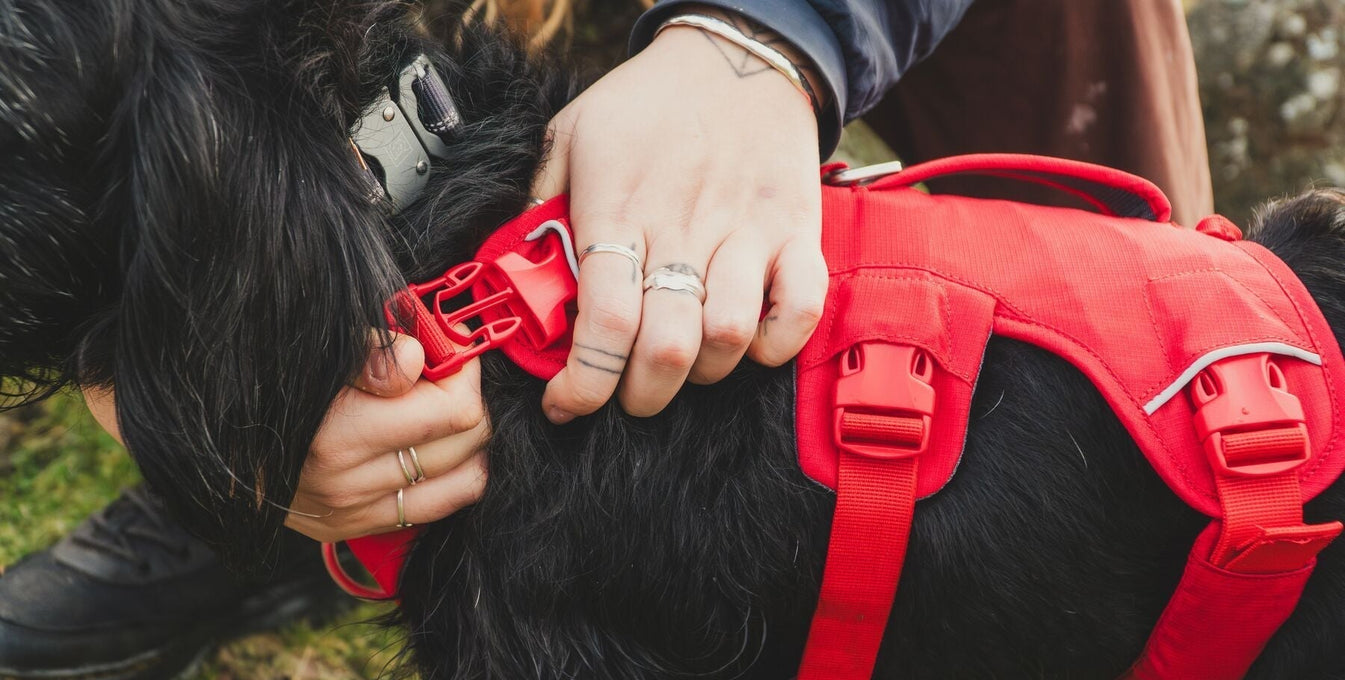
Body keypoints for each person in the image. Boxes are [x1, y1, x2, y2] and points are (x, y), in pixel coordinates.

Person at [0, 1, 1212, 678]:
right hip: (286, 126)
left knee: (1116, 416)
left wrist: (768, 40)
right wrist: (159, 368)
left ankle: (1141, 412)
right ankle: (291, 444)